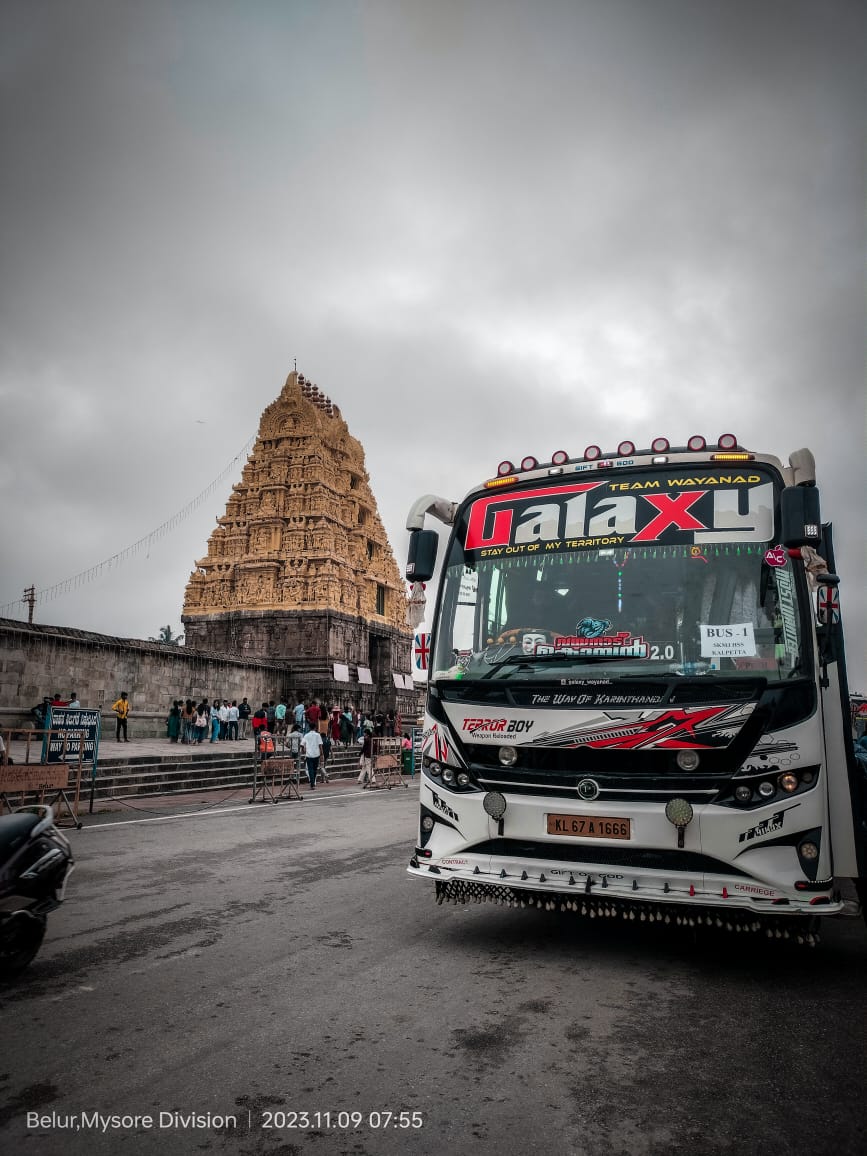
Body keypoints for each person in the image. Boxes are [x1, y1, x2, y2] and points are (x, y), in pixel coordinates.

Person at [301, 726, 323, 791]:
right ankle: (313, 782)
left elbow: (302, 744)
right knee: (315, 769)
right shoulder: (318, 735)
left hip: (309, 755)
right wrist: (322, 754)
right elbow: (320, 745)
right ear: (315, 728)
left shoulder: (306, 735)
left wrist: (303, 750)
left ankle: (312, 783)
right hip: (316, 754)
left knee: (310, 769)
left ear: (309, 728)